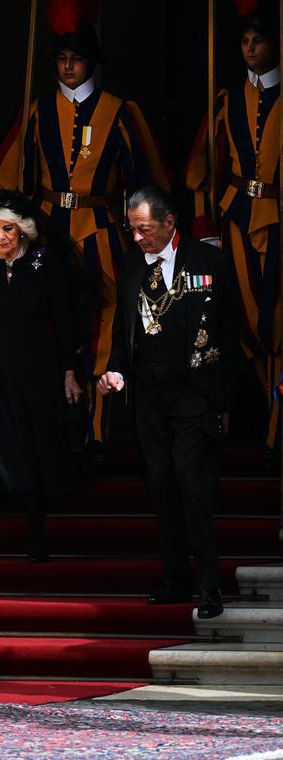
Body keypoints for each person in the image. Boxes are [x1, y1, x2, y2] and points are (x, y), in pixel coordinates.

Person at [0, 9, 171, 457]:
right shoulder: (36, 113)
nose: (68, 66)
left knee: (107, 321)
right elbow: (15, 183)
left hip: (102, 230)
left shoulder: (120, 112)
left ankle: (99, 427)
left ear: (91, 61)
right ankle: (56, 422)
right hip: (48, 232)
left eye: (76, 58)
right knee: (50, 319)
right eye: (62, 58)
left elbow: (142, 181)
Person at [98, 186, 237, 620]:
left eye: (144, 229)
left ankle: (210, 586)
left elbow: (227, 332)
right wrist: (115, 370)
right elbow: (124, 328)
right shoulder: (132, 264)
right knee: (161, 485)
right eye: (132, 230)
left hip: (194, 393)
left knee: (192, 483)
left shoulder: (208, 261)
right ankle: (177, 578)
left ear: (169, 223)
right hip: (149, 396)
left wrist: (224, 398)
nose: (137, 238)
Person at [0, 191, 81, 581]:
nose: (1, 237)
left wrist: (70, 370)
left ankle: (36, 533)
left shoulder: (44, 262)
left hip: (35, 374)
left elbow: (64, 320)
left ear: (23, 229)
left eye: (7, 229)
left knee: (32, 449)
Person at [184, 0, 280, 469]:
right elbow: (201, 170)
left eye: (258, 40)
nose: (250, 49)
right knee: (248, 327)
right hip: (238, 217)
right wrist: (206, 230)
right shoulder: (225, 100)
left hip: (279, 219)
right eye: (244, 41)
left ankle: (276, 429)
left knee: (277, 325)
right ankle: (272, 415)